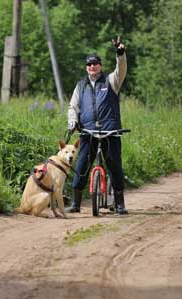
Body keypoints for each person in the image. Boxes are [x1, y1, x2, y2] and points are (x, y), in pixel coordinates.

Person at [66, 36, 128, 215]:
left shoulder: (111, 81)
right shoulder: (81, 86)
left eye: (95, 64)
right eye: (89, 65)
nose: (92, 67)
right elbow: (73, 106)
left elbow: (121, 69)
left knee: (114, 166)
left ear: (100, 66)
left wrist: (120, 54)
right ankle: (75, 203)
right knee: (81, 166)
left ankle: (119, 204)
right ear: (86, 68)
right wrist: (72, 122)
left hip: (111, 131)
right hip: (88, 132)